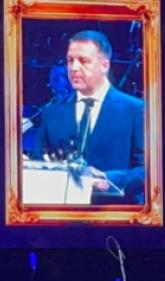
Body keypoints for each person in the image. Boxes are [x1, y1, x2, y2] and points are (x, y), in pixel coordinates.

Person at [32, 30, 145, 204]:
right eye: (70, 60)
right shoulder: (52, 112)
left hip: (115, 213)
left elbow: (149, 170)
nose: (74, 68)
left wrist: (108, 180)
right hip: (62, 214)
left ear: (104, 65)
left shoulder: (135, 110)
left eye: (83, 61)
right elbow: (39, 163)